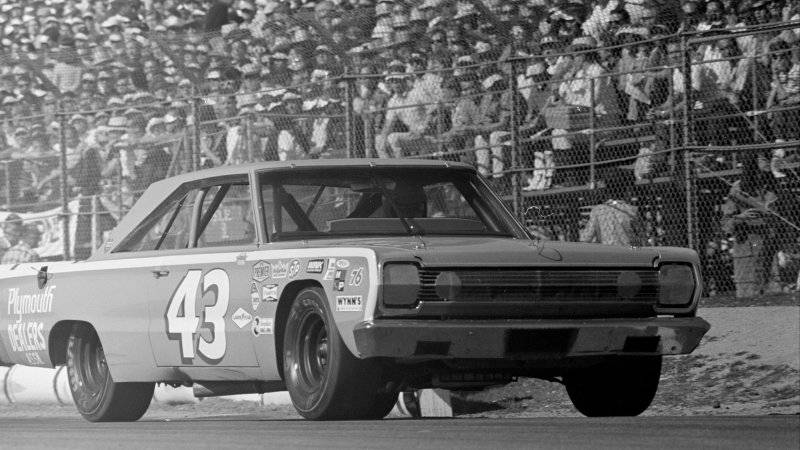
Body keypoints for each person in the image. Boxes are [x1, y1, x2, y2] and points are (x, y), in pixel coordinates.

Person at [579, 173, 645, 247]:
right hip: (628, 253)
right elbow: (641, 238)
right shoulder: (632, 210)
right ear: (627, 191)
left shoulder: (598, 210)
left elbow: (586, 238)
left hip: (607, 253)